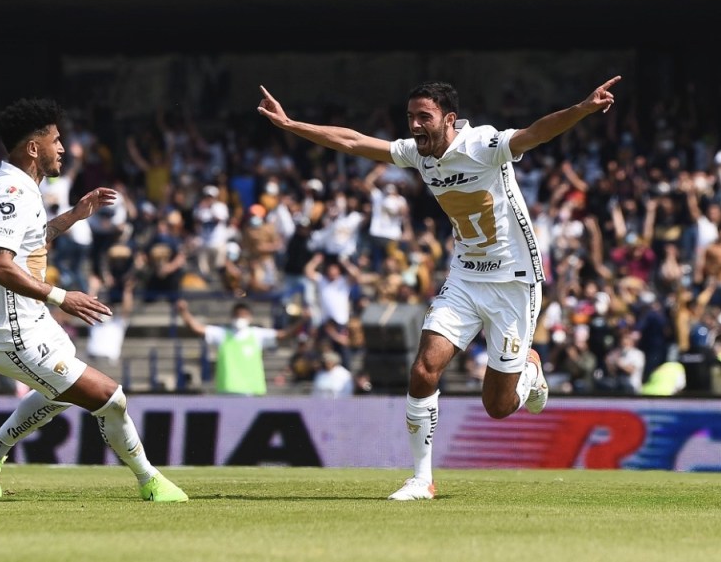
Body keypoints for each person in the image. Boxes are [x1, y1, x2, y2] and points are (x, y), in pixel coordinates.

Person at [257, 76, 620, 500]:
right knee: (423, 369)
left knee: (498, 406)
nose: (414, 125)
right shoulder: (418, 153)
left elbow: (536, 133)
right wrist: (292, 125)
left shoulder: (483, 144)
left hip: (513, 282)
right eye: (410, 116)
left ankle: (530, 372)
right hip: (465, 277)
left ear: (449, 119)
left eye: (424, 117)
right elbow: (354, 141)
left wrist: (581, 109)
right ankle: (421, 479)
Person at [0, 98, 187, 503]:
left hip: (30, 322)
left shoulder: (17, 187)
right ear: (34, 148)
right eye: (56, 140)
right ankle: (150, 481)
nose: (63, 148)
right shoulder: (10, 192)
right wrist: (61, 297)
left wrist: (74, 215)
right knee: (110, 398)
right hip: (11, 332)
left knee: (61, 393)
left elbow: (32, 242)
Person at [175, 299, 302, 396]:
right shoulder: (223, 334)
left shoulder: (257, 335)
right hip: (227, 391)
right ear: (232, 316)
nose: (240, 317)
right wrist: (183, 312)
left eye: (243, 314)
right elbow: (196, 328)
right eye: (237, 314)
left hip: (252, 391)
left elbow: (284, 335)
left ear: (250, 317)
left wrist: (303, 321)